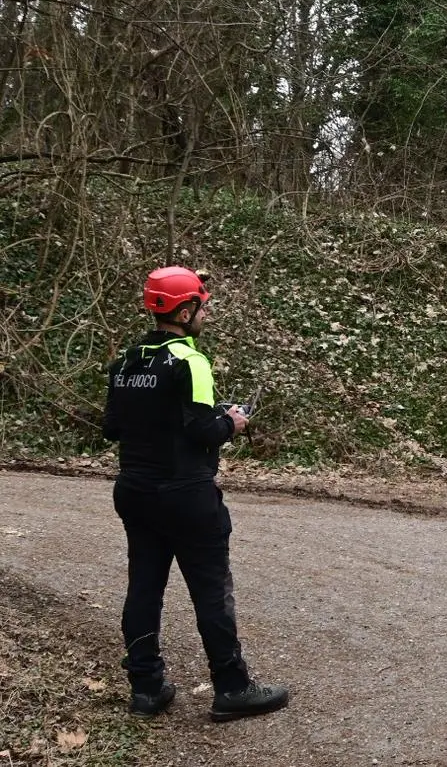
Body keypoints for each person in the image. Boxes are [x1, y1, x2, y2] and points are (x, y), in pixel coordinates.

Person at [102, 265, 290, 722]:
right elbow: (205, 432)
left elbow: (112, 428)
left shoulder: (126, 362)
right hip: (186, 495)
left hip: (134, 490)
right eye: (202, 306)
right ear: (185, 311)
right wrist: (233, 421)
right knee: (210, 592)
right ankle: (232, 687)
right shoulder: (191, 361)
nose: (205, 313)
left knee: (144, 588)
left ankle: (146, 688)